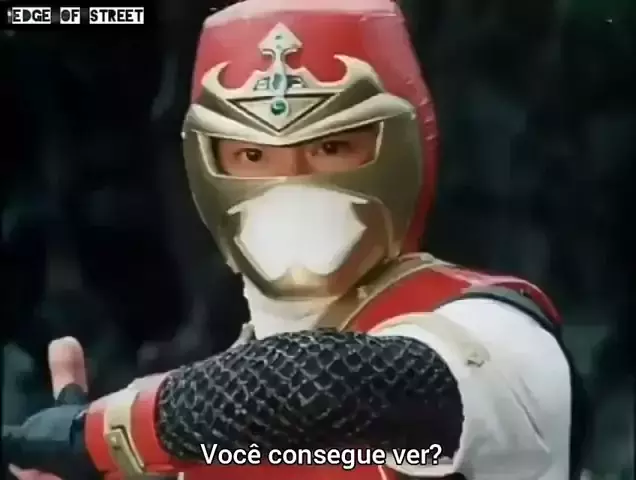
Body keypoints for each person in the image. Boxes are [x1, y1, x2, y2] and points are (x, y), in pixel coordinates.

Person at [2, 1, 587, 479]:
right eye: (252, 156)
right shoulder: (202, 420)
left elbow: (319, 386)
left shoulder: (498, 336)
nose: (291, 184)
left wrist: (105, 433)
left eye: (330, 148)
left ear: (402, 146)